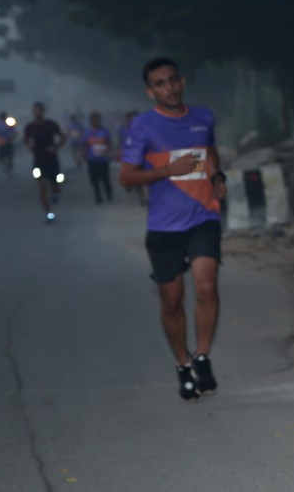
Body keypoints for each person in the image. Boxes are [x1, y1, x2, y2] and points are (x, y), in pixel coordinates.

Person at [119, 57, 226, 402]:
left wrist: (218, 177)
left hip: (203, 217)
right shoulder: (143, 126)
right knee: (172, 301)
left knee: (206, 286)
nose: (170, 87)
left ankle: (203, 356)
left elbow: (210, 153)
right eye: (161, 83)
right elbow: (126, 177)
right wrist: (169, 171)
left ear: (182, 82)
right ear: (151, 91)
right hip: (164, 226)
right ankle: (183, 364)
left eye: (173, 80)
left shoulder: (203, 117)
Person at [23, 102, 67, 223]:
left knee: (55, 185)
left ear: (43, 111)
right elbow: (25, 140)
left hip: (52, 161)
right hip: (38, 161)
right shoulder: (30, 127)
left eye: (38, 110)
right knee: (42, 188)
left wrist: (56, 146)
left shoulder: (51, 125)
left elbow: (63, 137)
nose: (36, 113)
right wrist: (29, 146)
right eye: (34, 111)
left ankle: (55, 194)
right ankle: (49, 215)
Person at [82, 111, 113, 203]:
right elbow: (84, 145)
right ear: (90, 121)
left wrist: (109, 152)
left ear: (100, 121)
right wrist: (83, 154)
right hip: (92, 159)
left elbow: (109, 143)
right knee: (94, 179)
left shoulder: (105, 131)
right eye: (93, 120)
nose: (95, 122)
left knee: (105, 178)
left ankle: (108, 191)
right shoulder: (87, 132)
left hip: (103, 159)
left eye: (97, 120)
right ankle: (98, 195)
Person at [0, 111, 16, 177]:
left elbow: (14, 132)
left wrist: (11, 138)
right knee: (2, 157)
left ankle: (8, 168)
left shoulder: (7, 124)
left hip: (6, 143)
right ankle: (6, 167)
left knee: (8, 157)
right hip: (2, 143)